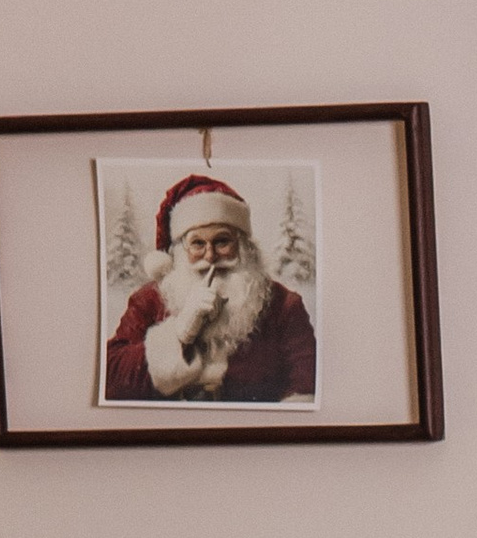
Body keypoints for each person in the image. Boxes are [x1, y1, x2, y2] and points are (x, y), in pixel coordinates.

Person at [104, 174, 317, 406]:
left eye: (222, 241)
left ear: (244, 246)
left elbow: (305, 385)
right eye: (197, 243)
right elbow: (110, 378)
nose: (210, 256)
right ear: (180, 250)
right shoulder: (149, 299)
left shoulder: (284, 305)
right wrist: (179, 333)